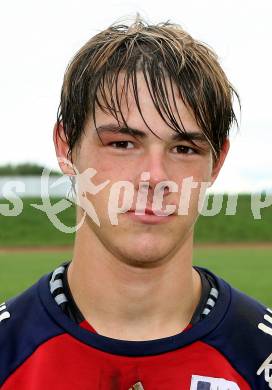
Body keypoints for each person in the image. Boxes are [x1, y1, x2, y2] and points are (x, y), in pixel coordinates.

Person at [0, 16, 271, 390]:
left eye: (184, 148)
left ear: (217, 162)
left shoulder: (260, 356)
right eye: (122, 143)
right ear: (66, 147)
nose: (155, 176)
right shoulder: (8, 353)